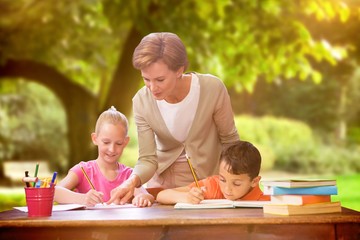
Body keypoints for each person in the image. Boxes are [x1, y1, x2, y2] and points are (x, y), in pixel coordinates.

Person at [107, 32, 239, 205]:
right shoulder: (141, 101)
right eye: (146, 79)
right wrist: (131, 182)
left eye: (160, 79)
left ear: (179, 70)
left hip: (208, 188)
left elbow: (230, 141)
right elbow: (147, 158)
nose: (152, 88)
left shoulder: (212, 89)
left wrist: (232, 182)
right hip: (164, 191)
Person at [54, 106, 154, 207]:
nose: (112, 149)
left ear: (125, 142)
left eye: (118, 143)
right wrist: (82, 199)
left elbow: (147, 196)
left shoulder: (129, 175)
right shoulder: (83, 170)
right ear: (95, 138)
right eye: (106, 142)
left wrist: (142, 198)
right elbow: (53, 192)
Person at [156, 141, 270, 204]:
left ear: (254, 181)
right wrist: (186, 197)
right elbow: (162, 196)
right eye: (223, 180)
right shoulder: (213, 186)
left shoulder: (266, 201)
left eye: (236, 184)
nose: (227, 189)